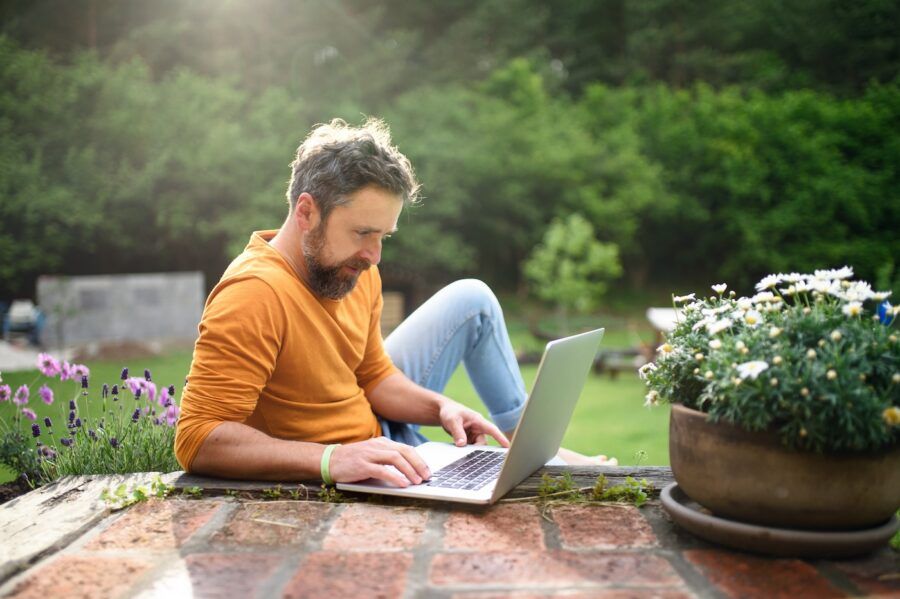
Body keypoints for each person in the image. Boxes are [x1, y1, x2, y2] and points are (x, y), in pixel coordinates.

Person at [174, 118, 613, 488]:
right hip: (359, 462)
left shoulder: (353, 269)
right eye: (363, 233)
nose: (374, 256)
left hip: (386, 440)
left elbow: (373, 375)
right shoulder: (254, 294)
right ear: (306, 213)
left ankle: (528, 450)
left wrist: (438, 407)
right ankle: (540, 462)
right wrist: (331, 461)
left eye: (383, 237)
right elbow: (196, 437)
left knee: (473, 298)